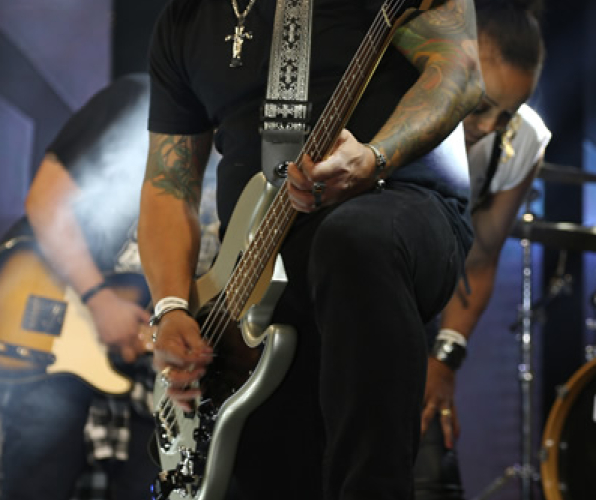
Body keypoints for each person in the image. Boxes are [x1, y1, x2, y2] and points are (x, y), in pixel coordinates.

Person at [137, 1, 484, 499]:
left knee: (355, 239)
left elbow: (460, 71)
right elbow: (168, 185)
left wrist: (374, 157)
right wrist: (171, 308)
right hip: (257, 269)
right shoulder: (185, 19)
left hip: (398, 205)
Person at [0, 73, 161, 500]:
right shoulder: (139, 103)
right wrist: (100, 302)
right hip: (54, 329)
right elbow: (46, 202)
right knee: (39, 482)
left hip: (148, 372)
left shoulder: (230, 145)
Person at [413, 1, 550, 498]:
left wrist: (445, 359)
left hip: (418, 325)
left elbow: (481, 258)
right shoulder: (397, 103)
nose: (491, 126)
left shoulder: (524, 141)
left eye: (507, 113)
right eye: (480, 106)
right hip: (342, 309)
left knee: (432, 478)